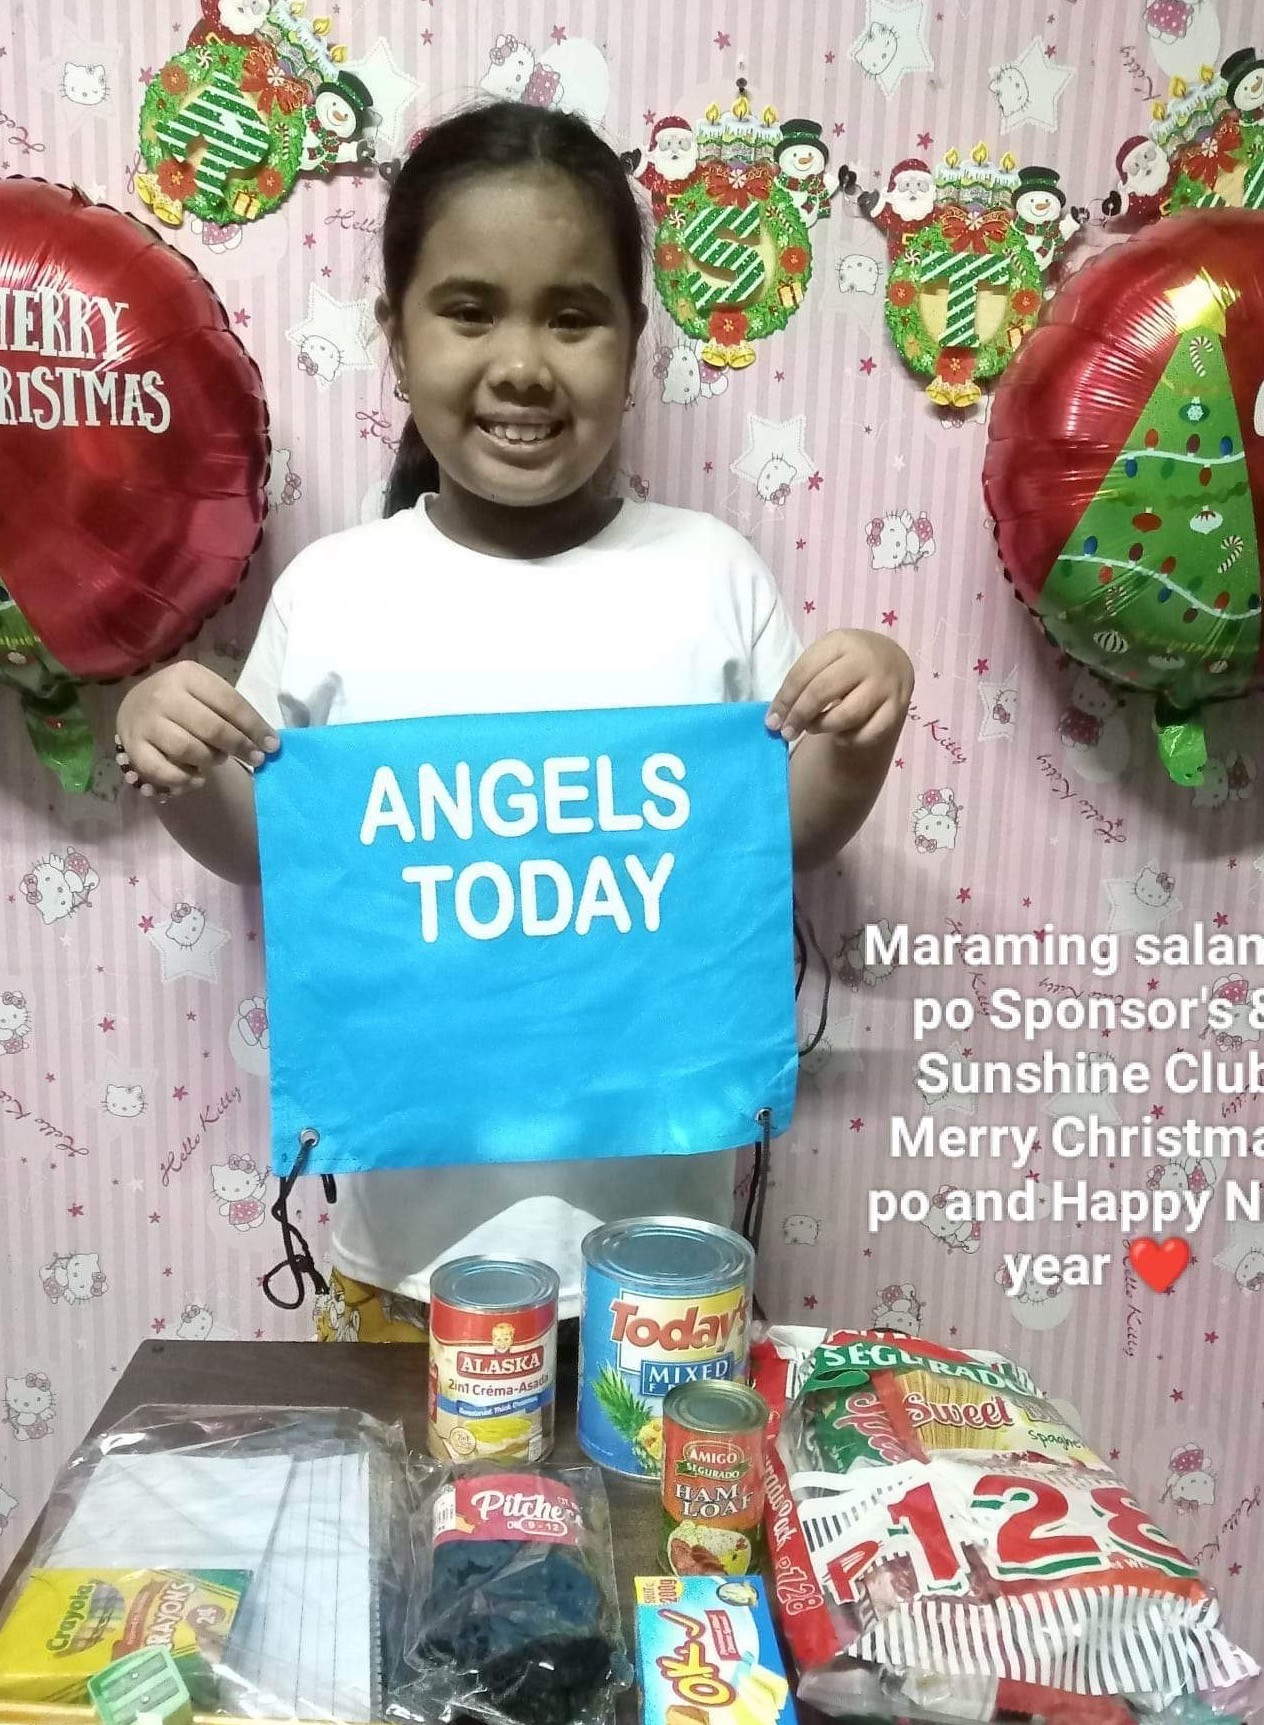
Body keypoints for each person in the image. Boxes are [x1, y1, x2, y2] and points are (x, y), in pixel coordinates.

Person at [114, 101, 914, 1341]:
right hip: (405, 1266)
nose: (524, 363)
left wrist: (860, 730)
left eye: (572, 316)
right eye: (470, 310)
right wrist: (172, 754)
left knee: (672, 1485)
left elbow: (775, 839)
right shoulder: (334, 591)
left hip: (665, 1270)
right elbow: (271, 847)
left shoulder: (710, 574)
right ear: (395, 337)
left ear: (633, 341)